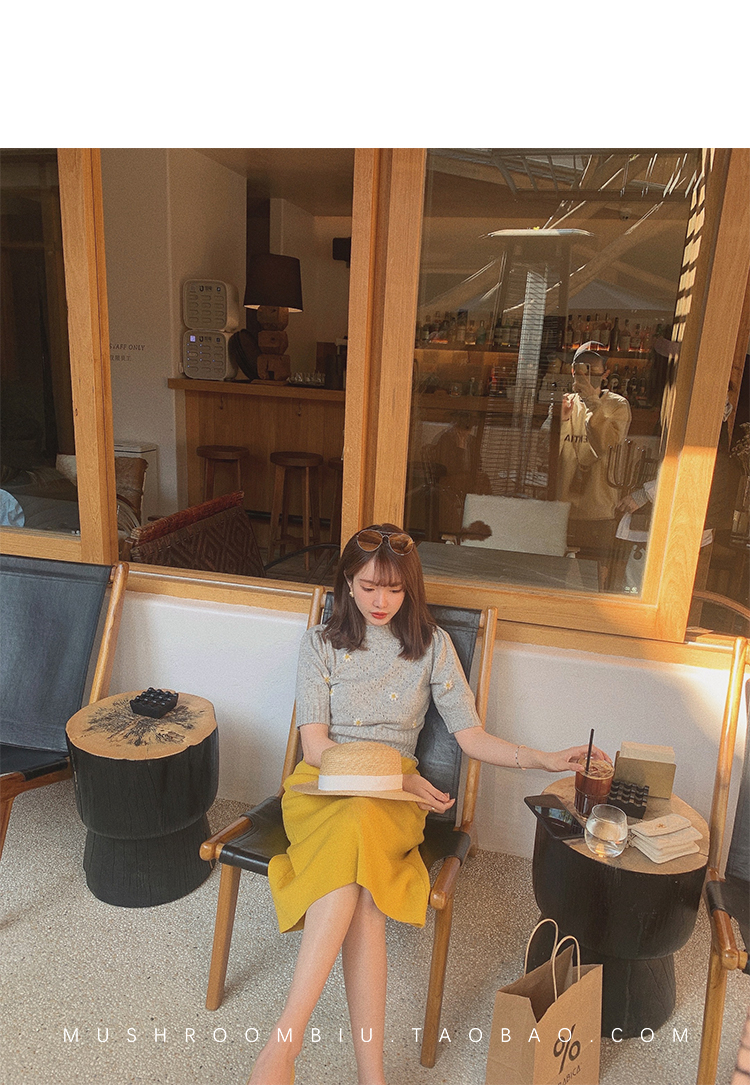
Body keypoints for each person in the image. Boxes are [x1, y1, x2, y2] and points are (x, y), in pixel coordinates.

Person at [249, 524, 610, 1085]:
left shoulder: (432, 646)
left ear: (410, 589)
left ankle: (283, 1047)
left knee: (359, 863)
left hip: (393, 800)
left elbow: (471, 737)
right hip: (325, 786)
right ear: (347, 582)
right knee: (364, 894)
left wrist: (546, 759)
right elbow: (315, 747)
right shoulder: (320, 643)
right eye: (368, 587)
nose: (380, 601)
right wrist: (397, 775)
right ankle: (361, 1075)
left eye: (394, 590)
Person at [544, 341, 631, 589]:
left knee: (594, 582)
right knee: (553, 580)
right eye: (582, 368)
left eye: (593, 369)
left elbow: (606, 446)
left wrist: (593, 403)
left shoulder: (618, 405)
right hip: (563, 508)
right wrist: (556, 421)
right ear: (572, 371)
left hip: (598, 509)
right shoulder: (565, 404)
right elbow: (545, 451)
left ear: (605, 373)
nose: (586, 375)